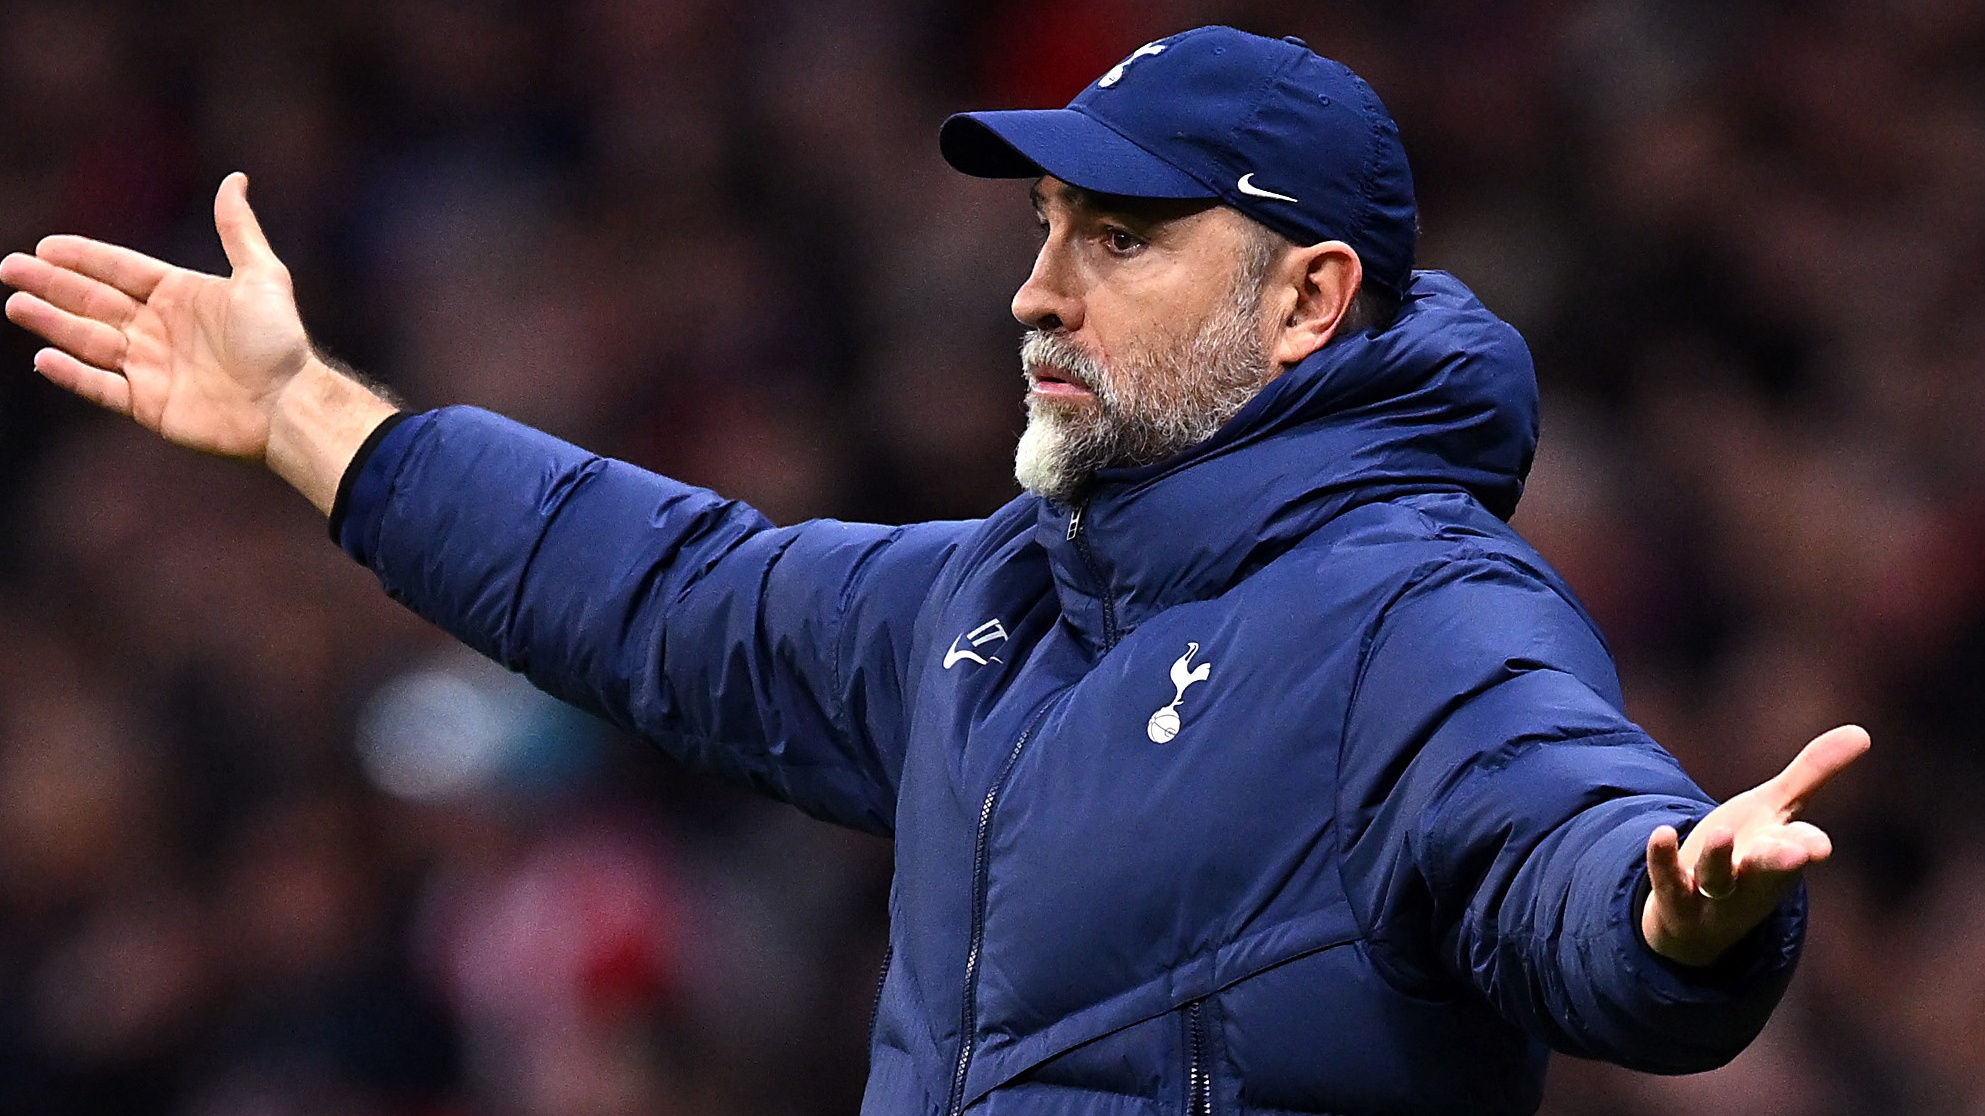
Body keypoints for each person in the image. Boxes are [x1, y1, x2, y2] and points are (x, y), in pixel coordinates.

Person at [2, 25, 1864, 1116]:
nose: (1036, 292)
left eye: (1118, 241)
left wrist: (1672, 921)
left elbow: (1564, 843)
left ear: (1309, 300)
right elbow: (662, 591)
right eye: (1045, 228)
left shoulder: (1416, 609)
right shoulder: (1000, 602)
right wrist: (306, 414)